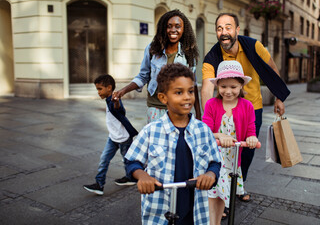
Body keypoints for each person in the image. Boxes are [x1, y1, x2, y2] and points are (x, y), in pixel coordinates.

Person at [201, 13, 290, 202]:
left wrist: (279, 97)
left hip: (252, 107)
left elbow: (272, 68)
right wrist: (207, 116)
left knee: (247, 149)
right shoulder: (212, 56)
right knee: (221, 152)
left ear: (237, 30)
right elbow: (207, 86)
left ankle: (239, 184)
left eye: (228, 27)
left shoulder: (253, 46)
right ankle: (222, 191)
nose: (223, 32)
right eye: (219, 28)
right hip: (222, 107)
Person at [125, 63, 221, 224]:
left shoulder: (203, 130)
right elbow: (131, 161)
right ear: (163, 98)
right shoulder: (151, 131)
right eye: (179, 92)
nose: (187, 97)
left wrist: (211, 174)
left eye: (190, 91)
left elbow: (215, 162)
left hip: (195, 212)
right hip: (160, 211)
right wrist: (142, 176)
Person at [113, 9, 201, 122]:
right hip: (155, 107)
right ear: (164, 28)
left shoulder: (188, 53)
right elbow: (143, 76)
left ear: (184, 29)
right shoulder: (152, 49)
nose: (173, 30)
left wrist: (198, 113)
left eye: (177, 26)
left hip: (179, 108)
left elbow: (192, 84)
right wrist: (123, 91)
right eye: (169, 26)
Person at [202, 60, 258, 224]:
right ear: (217, 85)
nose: (228, 91)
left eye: (233, 87)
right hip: (215, 155)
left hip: (233, 157)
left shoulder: (247, 106)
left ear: (241, 86)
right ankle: (215, 217)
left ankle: (218, 214)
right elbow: (206, 130)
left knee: (226, 189)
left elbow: (250, 127)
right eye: (223, 86)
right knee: (217, 188)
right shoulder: (212, 104)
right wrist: (219, 135)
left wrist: (251, 138)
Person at [83, 74, 138, 195]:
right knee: (104, 159)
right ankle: (99, 184)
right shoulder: (109, 99)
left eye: (99, 89)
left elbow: (118, 109)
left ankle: (132, 177)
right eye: (97, 89)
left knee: (128, 160)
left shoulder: (114, 100)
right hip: (113, 138)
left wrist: (116, 102)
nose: (98, 92)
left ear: (109, 88)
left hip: (124, 138)